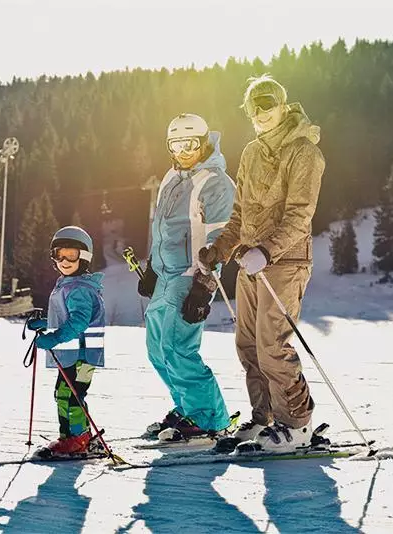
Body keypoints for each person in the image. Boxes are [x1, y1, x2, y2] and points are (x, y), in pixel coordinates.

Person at [199, 74, 326, 453]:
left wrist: (268, 251)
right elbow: (240, 214)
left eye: (267, 103)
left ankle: (297, 424)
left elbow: (300, 214)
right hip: (249, 261)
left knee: (273, 344)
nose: (260, 112)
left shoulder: (304, 151)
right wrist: (220, 249)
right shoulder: (253, 152)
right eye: (253, 106)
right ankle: (265, 419)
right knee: (248, 344)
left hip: (284, 262)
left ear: (283, 106)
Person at [137, 113, 236, 442]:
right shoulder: (170, 177)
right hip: (164, 276)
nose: (182, 151)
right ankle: (185, 407)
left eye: (189, 144)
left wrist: (203, 288)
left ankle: (208, 418)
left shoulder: (216, 183)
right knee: (156, 350)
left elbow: (219, 241)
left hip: (190, 276)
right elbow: (163, 228)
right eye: (175, 144)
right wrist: (152, 266)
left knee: (178, 348)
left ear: (204, 142)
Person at [28, 226, 106, 455]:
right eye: (58, 254)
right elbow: (66, 317)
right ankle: (71, 436)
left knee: (71, 395)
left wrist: (54, 338)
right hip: (74, 355)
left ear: (84, 257)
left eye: (71, 255)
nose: (64, 260)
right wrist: (45, 323)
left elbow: (79, 323)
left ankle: (79, 439)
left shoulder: (79, 288)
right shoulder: (69, 284)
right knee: (65, 393)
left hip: (83, 355)